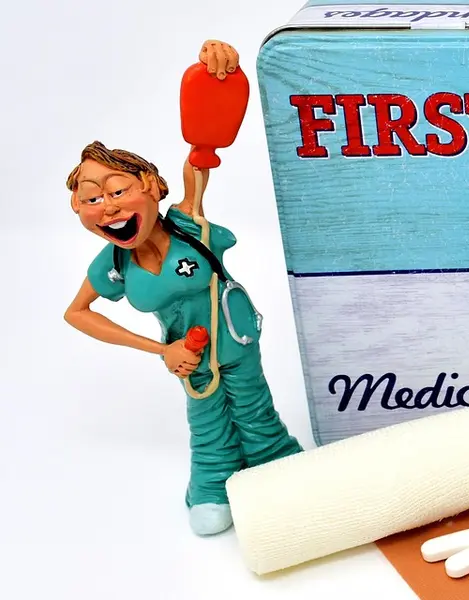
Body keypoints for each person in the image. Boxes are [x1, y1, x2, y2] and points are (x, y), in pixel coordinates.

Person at [62, 40, 303, 537]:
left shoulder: (188, 227)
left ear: (149, 184)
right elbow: (77, 313)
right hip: (188, 358)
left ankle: (276, 463)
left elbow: (201, 160)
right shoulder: (114, 264)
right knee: (207, 418)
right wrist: (160, 349)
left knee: (253, 405)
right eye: (90, 198)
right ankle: (214, 482)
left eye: (115, 190)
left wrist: (217, 80)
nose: (106, 206)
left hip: (233, 338)